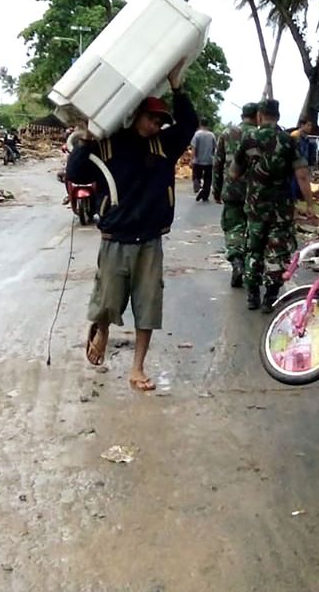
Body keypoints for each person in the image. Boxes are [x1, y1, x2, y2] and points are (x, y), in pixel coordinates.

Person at [65, 61, 197, 392]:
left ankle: (137, 368)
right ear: (136, 115)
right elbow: (77, 175)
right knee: (107, 301)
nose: (156, 125)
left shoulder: (164, 146)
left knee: (147, 307)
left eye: (160, 121)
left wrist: (177, 87)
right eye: (152, 118)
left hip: (150, 240)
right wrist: (85, 139)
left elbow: (189, 123)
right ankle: (103, 328)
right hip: (115, 237)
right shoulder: (109, 143)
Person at [235, 99, 314, 312]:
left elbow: (234, 172)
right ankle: (270, 298)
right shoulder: (289, 141)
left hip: (254, 207)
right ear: (278, 116)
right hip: (281, 209)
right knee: (276, 253)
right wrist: (310, 205)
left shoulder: (248, 139)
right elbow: (302, 176)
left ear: (259, 115)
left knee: (254, 249)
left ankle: (252, 294)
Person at [213, 102, 258, 288]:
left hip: (232, 189)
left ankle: (236, 262)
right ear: (257, 116)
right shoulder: (259, 135)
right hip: (255, 192)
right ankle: (251, 267)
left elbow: (217, 163)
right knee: (253, 228)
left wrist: (216, 189)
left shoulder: (226, 133)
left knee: (233, 228)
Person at [190, 118, 218, 203]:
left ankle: (198, 187)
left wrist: (192, 159)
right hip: (209, 160)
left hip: (198, 160)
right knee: (208, 178)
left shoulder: (197, 135)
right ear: (207, 124)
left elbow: (194, 148)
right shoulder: (212, 135)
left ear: (200, 124)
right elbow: (215, 148)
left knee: (196, 176)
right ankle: (205, 195)